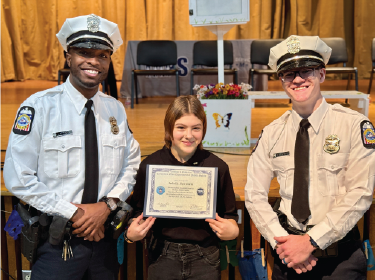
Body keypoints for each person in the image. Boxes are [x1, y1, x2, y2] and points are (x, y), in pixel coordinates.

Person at [3, 14, 140, 280]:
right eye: (84, 52)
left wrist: (106, 207)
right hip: (57, 244)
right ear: (68, 57)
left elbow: (131, 163)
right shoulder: (39, 107)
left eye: (103, 55)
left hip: (105, 240)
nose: (94, 61)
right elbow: (18, 178)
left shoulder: (115, 109)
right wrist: (76, 213)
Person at [245, 35, 375, 280]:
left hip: (341, 261)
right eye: (288, 74)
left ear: (322, 74)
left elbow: (361, 192)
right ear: (282, 80)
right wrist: (282, 244)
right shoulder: (272, 133)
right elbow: (254, 195)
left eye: (306, 71)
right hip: (289, 257)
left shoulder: (354, 125)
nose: (297, 79)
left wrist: (311, 242)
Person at [126, 95, 239, 280]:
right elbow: (137, 212)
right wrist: (132, 232)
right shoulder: (150, 166)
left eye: (196, 128)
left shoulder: (218, 168)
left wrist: (232, 230)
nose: (189, 135)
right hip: (162, 255)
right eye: (181, 127)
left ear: (204, 129)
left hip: (206, 256)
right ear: (169, 129)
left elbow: (231, 216)